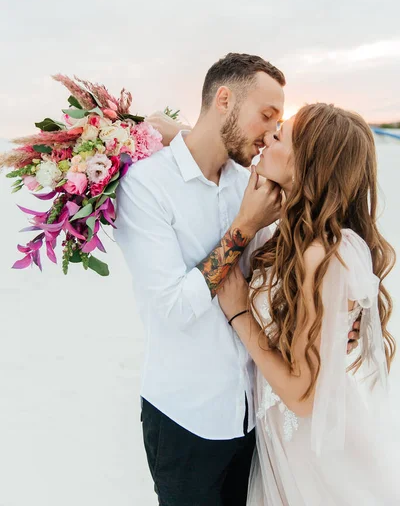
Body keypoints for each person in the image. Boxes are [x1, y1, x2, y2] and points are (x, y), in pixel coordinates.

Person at [114, 55, 359, 506]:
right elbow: (173, 308)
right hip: (187, 418)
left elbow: (308, 236)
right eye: (266, 116)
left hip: (255, 415)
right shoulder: (146, 186)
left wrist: (337, 312)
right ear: (224, 99)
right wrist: (242, 229)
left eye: (278, 124)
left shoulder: (252, 180)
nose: (269, 133)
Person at [217, 103, 399, 505]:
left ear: (306, 166)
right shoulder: (293, 234)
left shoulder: (326, 255)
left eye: (279, 135)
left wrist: (239, 312)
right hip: (283, 439)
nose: (267, 138)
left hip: (311, 452)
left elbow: (302, 395)